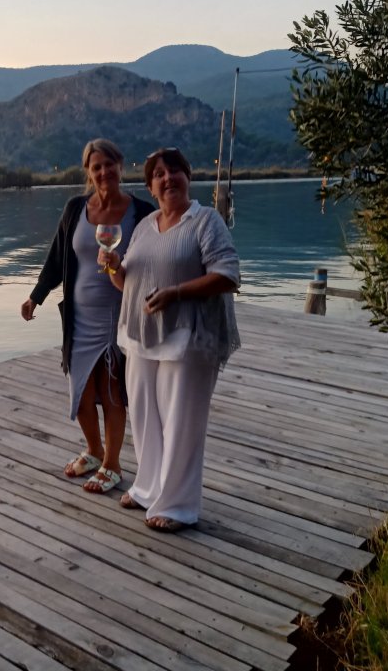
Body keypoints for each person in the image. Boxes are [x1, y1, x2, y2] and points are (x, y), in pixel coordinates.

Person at [99, 147, 240, 532]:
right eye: (158, 174)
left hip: (188, 337)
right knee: (144, 417)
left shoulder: (205, 221)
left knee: (181, 421)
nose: (167, 178)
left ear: (187, 177)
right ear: (150, 186)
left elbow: (228, 275)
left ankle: (177, 505)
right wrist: (113, 267)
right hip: (141, 337)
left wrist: (176, 293)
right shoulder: (145, 225)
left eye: (175, 171)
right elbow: (127, 282)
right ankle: (148, 489)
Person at [22, 138, 155, 493]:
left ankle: (113, 463)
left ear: (120, 166)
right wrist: (36, 296)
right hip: (78, 318)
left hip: (117, 315)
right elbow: (56, 259)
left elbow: (153, 261)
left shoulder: (141, 213)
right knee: (79, 390)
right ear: (88, 172)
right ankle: (94, 451)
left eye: (109, 164)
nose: (104, 172)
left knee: (111, 390)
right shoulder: (75, 209)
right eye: (97, 167)